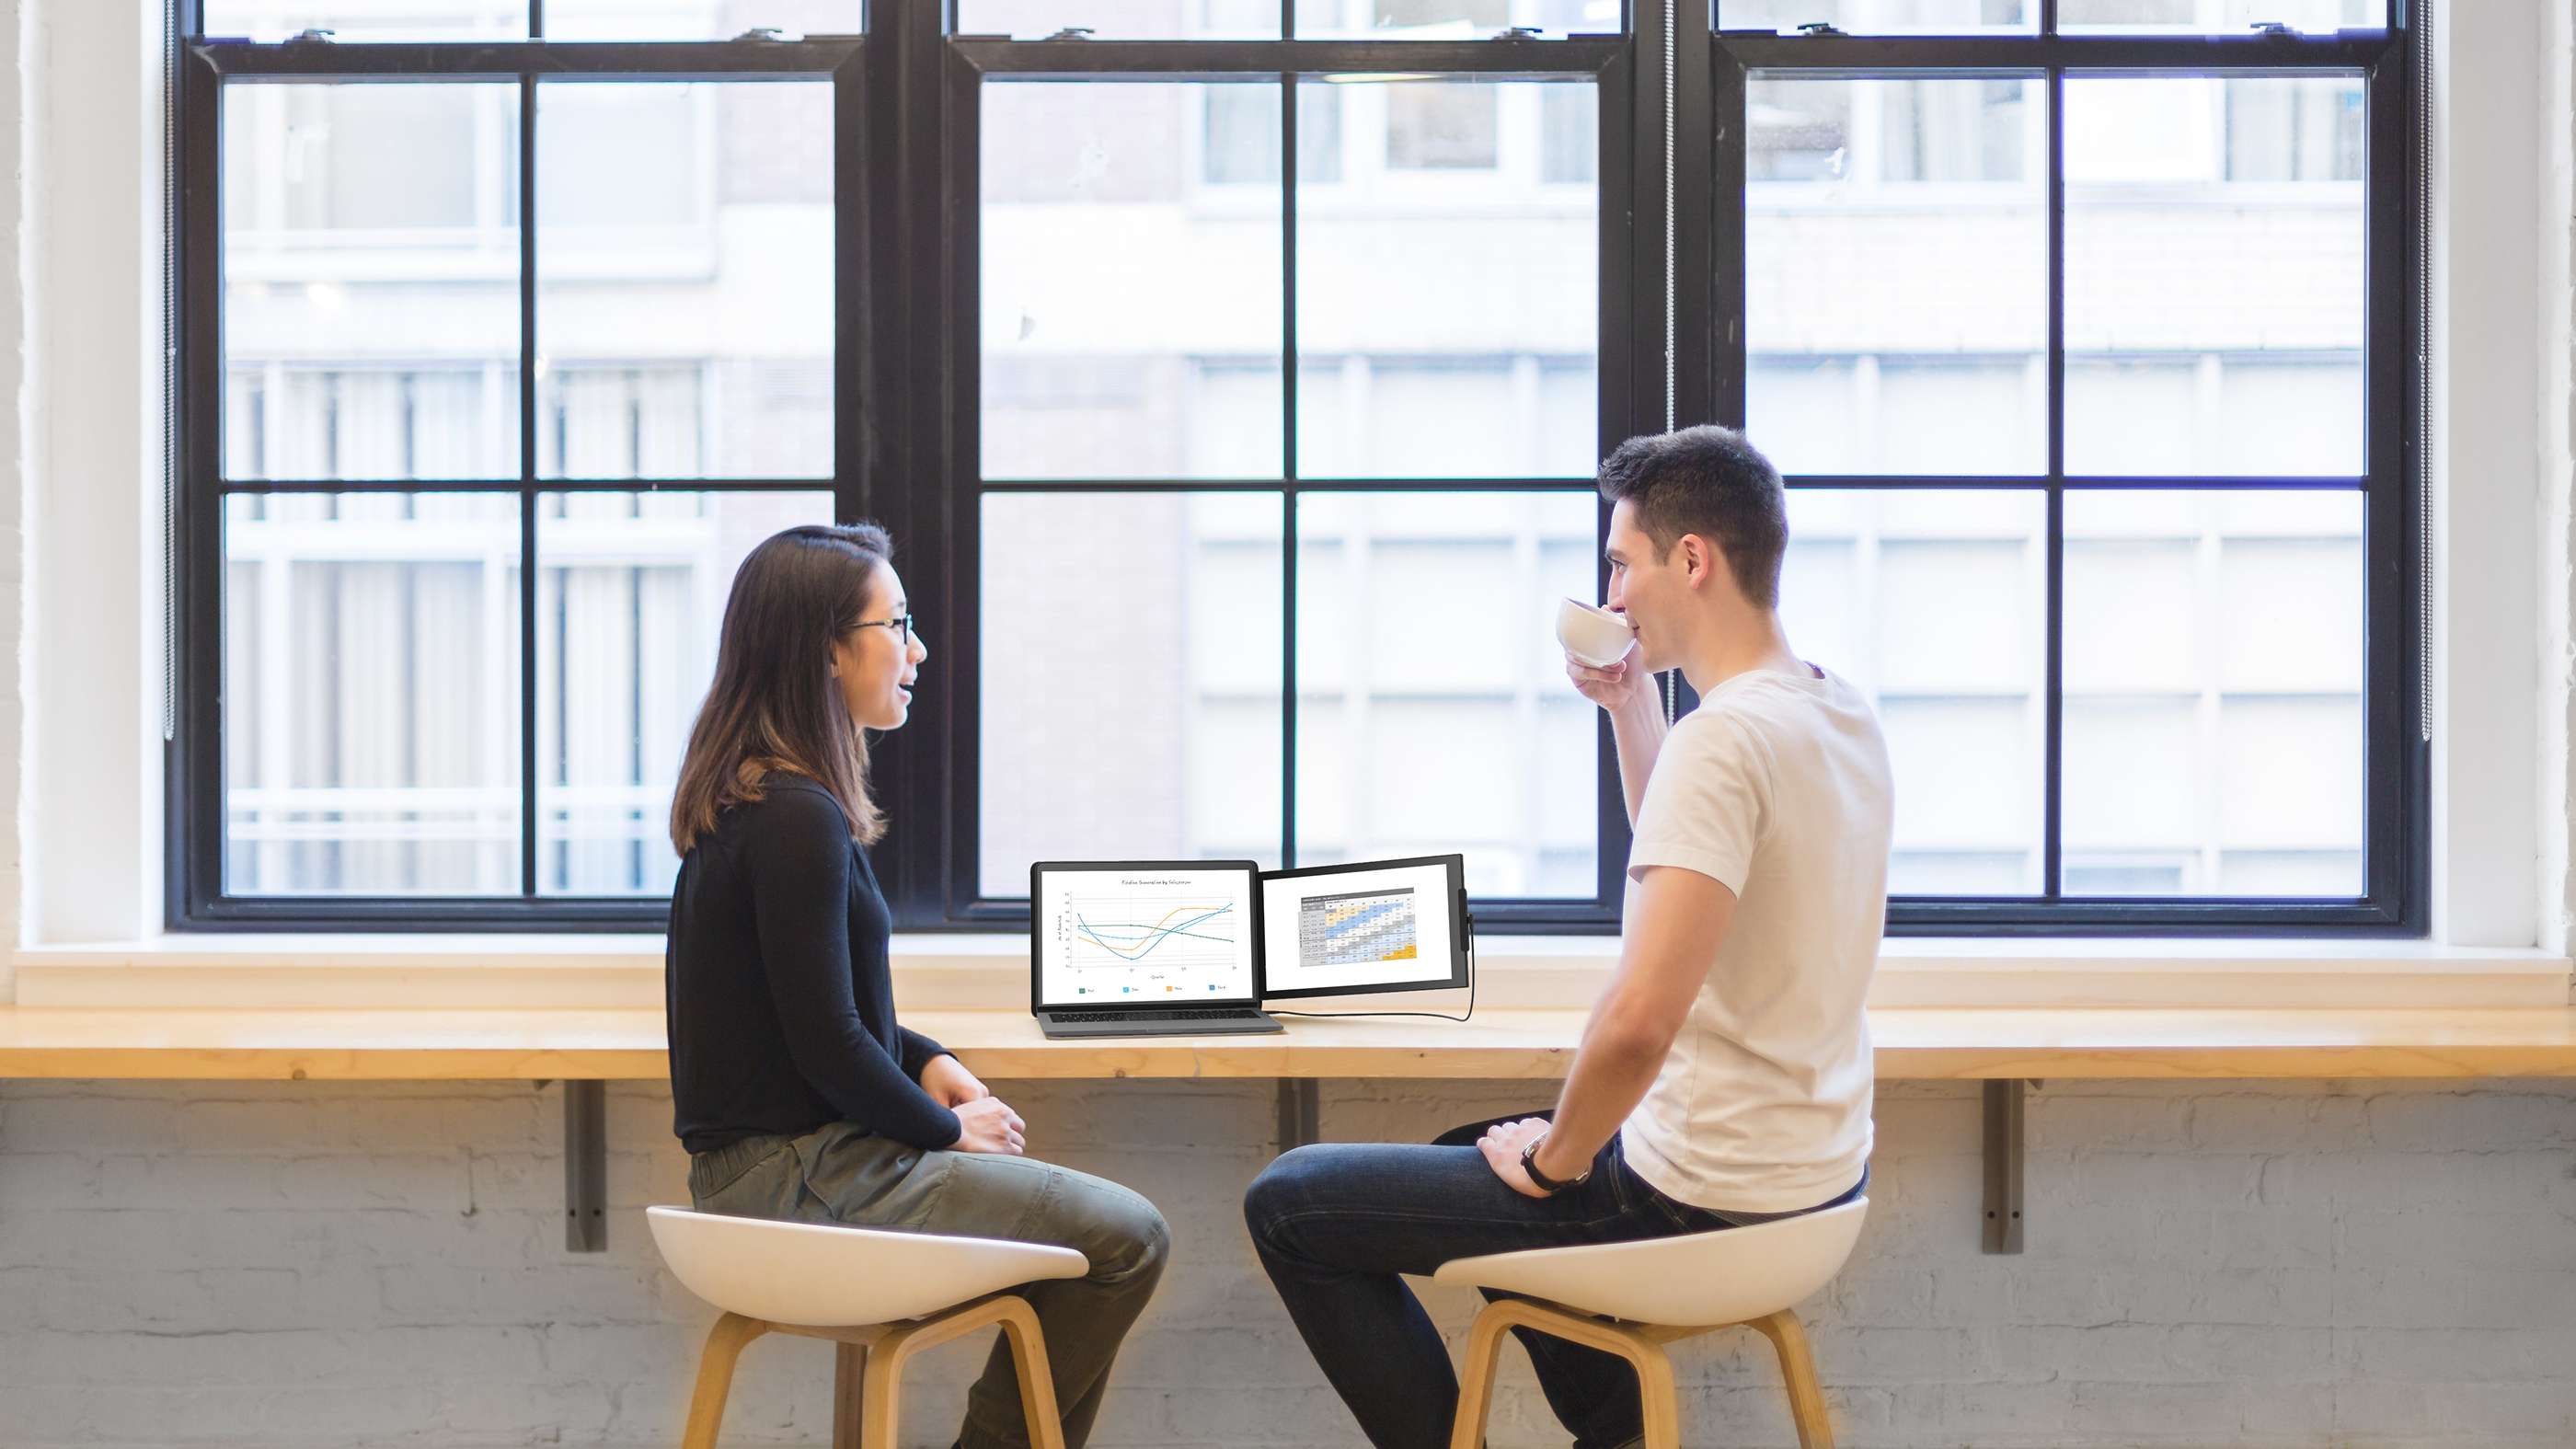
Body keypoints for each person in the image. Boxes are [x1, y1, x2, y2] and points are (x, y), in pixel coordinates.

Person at [1241, 426, 1892, 1449]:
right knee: (1470, 1153)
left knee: (1290, 1204)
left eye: (1620, 563)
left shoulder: (1723, 739)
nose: (1614, 596)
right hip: (1813, 1179)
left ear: (1692, 560)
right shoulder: (1830, 707)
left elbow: (1637, 1024)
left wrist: (1556, 1163)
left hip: (1700, 1197)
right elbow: (1698, 856)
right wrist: (1634, 704)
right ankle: (1617, 1436)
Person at [665, 523, 1167, 1449]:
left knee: (1067, 1237)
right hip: (794, 1180)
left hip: (774, 1172)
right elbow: (825, 1044)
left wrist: (929, 1059)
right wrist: (945, 1130)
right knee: (1128, 1237)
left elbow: (818, 1010)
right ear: (827, 649)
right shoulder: (794, 819)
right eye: (896, 623)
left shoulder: (766, 799)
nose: (917, 648)